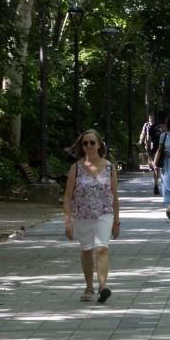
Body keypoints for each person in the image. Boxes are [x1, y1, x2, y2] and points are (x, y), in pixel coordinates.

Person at [62, 129, 120, 303]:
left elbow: (114, 194)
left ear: (99, 144)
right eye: (85, 143)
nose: (89, 146)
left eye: (92, 143)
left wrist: (117, 221)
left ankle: (103, 287)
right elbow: (67, 196)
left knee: (102, 248)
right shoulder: (76, 168)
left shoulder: (109, 167)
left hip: (104, 213)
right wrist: (68, 221)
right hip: (82, 215)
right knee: (87, 250)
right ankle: (89, 286)